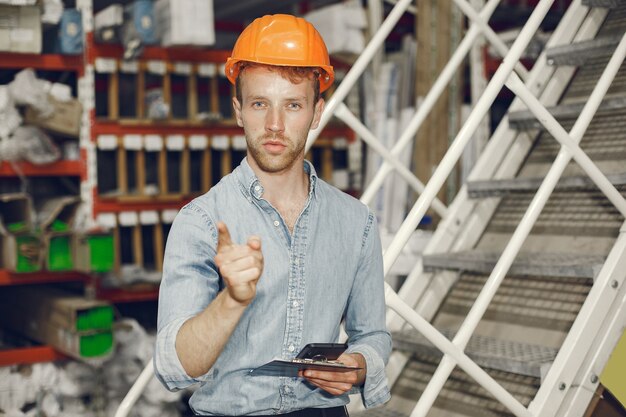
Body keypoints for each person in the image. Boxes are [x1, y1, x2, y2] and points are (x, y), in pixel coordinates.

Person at [154, 14, 391, 417]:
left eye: (293, 105)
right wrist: (232, 300)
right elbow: (175, 367)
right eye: (260, 103)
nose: (275, 125)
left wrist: (359, 365)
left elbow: (372, 335)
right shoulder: (201, 222)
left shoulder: (357, 223)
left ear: (317, 112)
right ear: (238, 111)